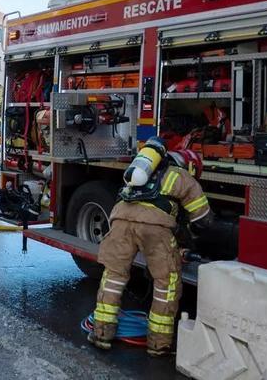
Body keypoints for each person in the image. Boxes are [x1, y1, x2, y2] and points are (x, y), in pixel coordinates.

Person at [88, 138, 212, 357]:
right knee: (167, 282)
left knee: (114, 277)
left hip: (119, 222)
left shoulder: (141, 173)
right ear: (189, 165)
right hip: (155, 228)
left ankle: (101, 333)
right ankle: (158, 344)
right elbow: (203, 219)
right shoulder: (181, 176)